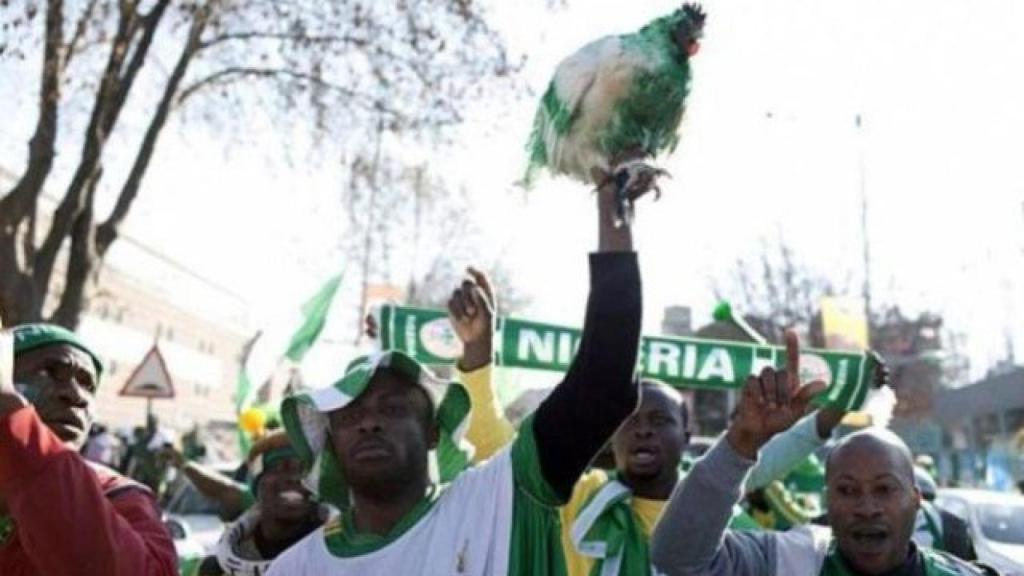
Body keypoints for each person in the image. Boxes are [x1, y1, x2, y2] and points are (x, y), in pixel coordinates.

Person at [267, 175, 646, 574]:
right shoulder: (296, 568)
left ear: (433, 430)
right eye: (347, 417)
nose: (369, 424)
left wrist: (611, 201)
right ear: (329, 443)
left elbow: (603, 381)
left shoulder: (502, 499)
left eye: (393, 408)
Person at [446, 267, 853, 576]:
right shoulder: (576, 500)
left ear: (688, 435)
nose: (643, 429)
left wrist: (841, 400)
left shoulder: (723, 522)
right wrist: (477, 356)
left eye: (660, 420)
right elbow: (499, 450)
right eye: (629, 421)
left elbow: (767, 458)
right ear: (610, 439)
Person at [650, 331, 998, 576]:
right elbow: (677, 559)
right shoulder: (788, 562)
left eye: (884, 489)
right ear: (827, 502)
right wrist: (741, 442)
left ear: (916, 499)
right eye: (847, 490)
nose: (866, 508)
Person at [0, 322, 177, 575]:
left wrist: (10, 407)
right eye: (49, 371)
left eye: (88, 386)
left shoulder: (123, 499)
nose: (77, 396)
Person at [193, 431, 325, 576]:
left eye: (304, 471)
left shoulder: (337, 558)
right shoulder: (218, 568)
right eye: (279, 467)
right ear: (257, 483)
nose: (294, 478)